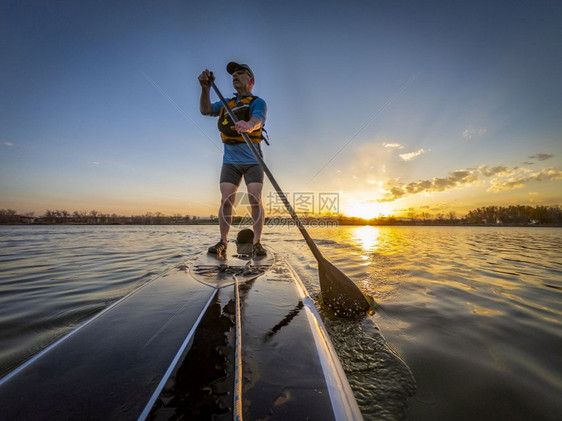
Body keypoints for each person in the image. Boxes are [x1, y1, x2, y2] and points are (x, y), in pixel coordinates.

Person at [198, 62, 267, 256]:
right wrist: (205, 89)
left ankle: (257, 242)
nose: (235, 76)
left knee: (255, 197)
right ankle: (223, 241)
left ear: (251, 80)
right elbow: (205, 110)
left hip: (253, 161)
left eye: (240, 73)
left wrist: (249, 125)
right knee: (226, 199)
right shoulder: (225, 104)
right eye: (233, 75)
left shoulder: (257, 102)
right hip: (230, 162)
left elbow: (258, 119)